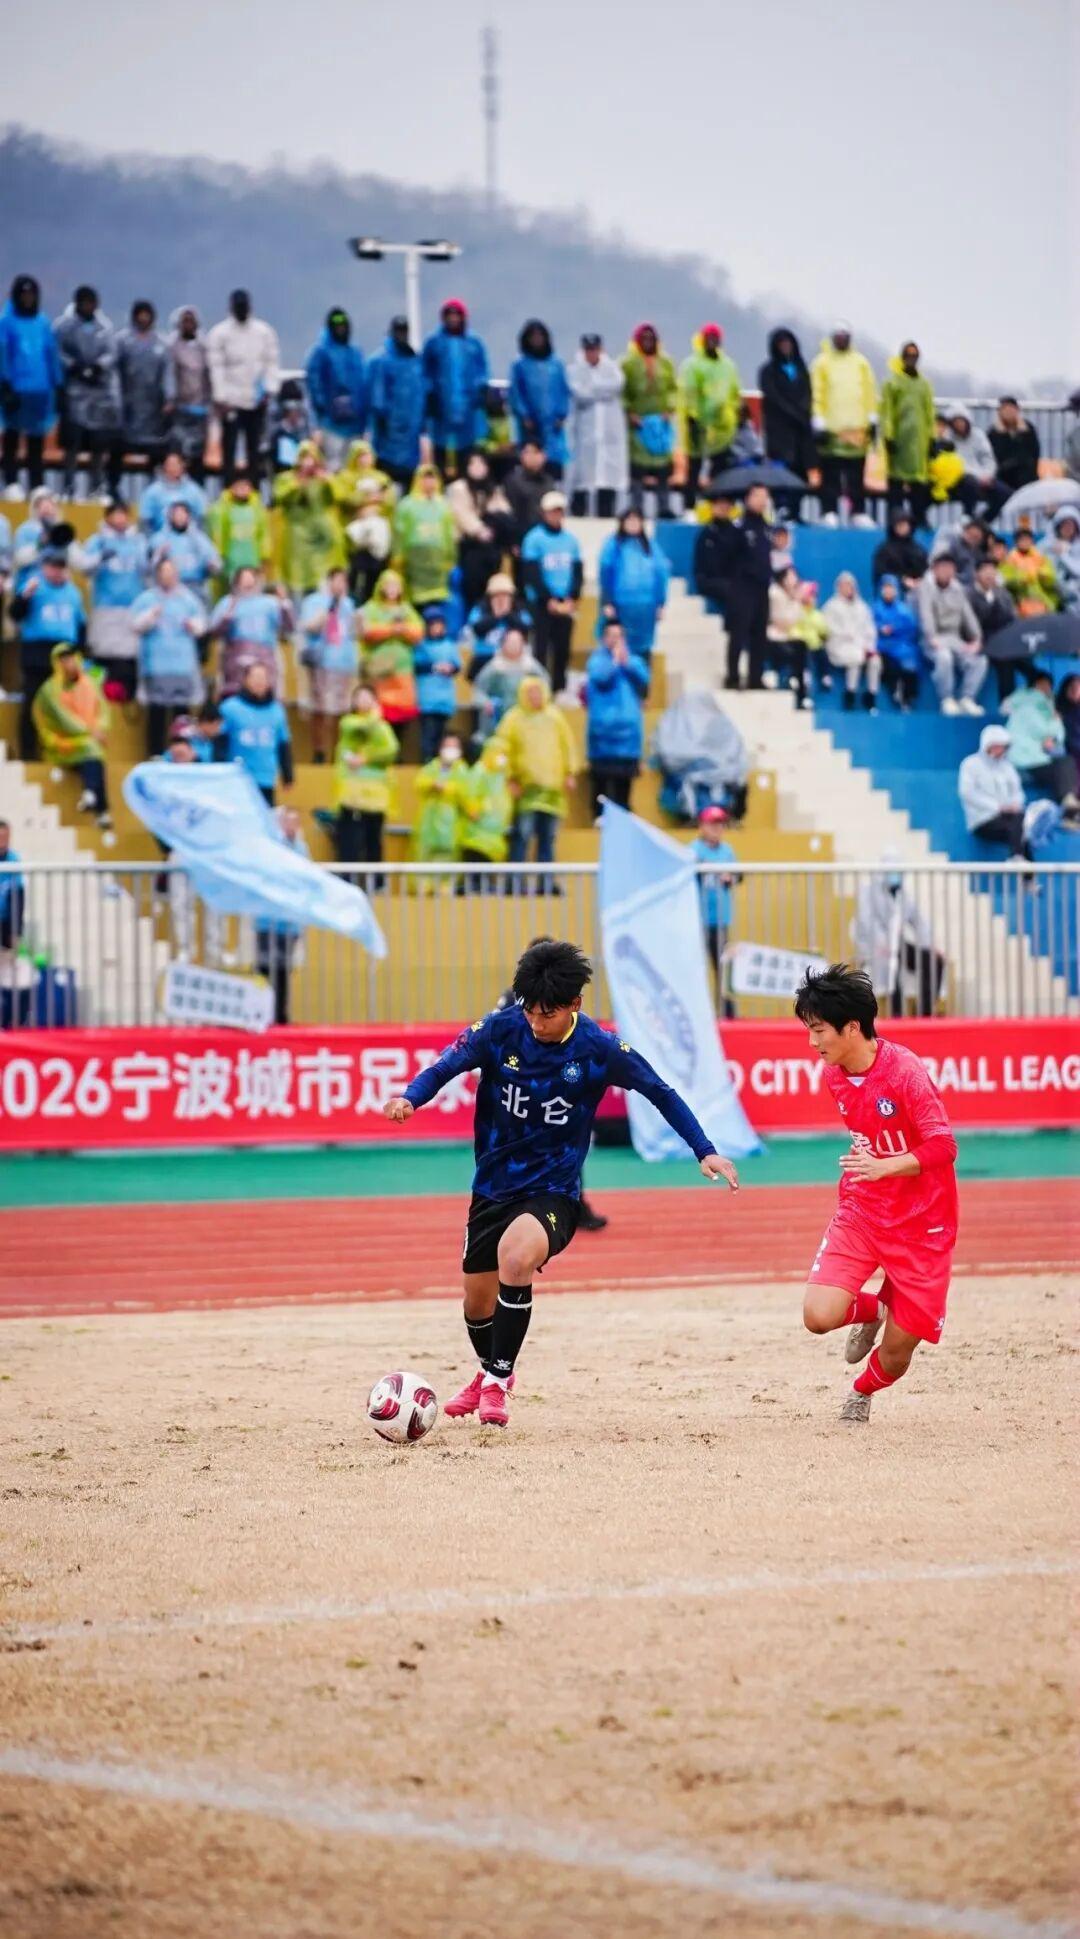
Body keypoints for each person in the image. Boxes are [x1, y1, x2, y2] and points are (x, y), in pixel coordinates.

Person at [382, 937, 738, 1428]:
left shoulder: (599, 1049)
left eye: (547, 1013)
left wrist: (704, 1148)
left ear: (575, 1004)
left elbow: (660, 1091)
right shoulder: (501, 1029)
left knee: (516, 1257)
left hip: (553, 1191)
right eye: (529, 1010)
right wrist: (411, 1097)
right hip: (491, 1186)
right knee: (476, 1303)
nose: (535, 1022)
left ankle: (497, 1383)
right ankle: (490, 1371)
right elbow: (446, 1065)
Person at [794, 961, 957, 1423]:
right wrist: (873, 1168)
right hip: (864, 1208)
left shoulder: (905, 1072)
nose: (812, 1042)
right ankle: (876, 1308)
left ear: (851, 1027)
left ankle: (861, 1390)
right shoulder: (834, 1074)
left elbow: (944, 1146)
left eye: (818, 1031)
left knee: (898, 1352)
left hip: (924, 1222)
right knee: (818, 1316)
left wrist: (887, 1165)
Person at [494, 673, 578, 879]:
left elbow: (567, 746)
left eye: (538, 692)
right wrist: (509, 778)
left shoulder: (555, 717)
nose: (534, 696)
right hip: (525, 790)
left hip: (553, 791)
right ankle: (515, 881)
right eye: (530, 692)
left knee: (548, 837)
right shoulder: (513, 719)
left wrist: (570, 772)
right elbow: (501, 750)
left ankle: (546, 881)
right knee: (522, 835)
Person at [10, 547, 86, 760]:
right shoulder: (33, 586)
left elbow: (81, 626)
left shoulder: (73, 593)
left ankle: (63, 752)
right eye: (53, 566)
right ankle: (29, 753)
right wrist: (25, 596)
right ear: (44, 567)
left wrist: (77, 656)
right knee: (33, 705)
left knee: (64, 707)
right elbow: (15, 614)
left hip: (64, 654)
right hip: (37, 653)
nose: (57, 571)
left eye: (61, 566)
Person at [852, 852, 944, 1016]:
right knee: (891, 964)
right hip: (873, 946)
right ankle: (897, 1015)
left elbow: (919, 922)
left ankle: (925, 1013)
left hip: (896, 944)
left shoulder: (903, 895)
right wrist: (883, 943)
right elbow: (867, 922)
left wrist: (929, 945)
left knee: (934, 961)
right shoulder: (868, 891)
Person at [131, 556, 207, 753]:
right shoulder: (147, 599)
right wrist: (150, 616)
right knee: (156, 714)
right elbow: (135, 625)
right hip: (156, 667)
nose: (168, 576)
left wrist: (192, 625)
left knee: (181, 716)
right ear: (157, 575)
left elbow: (201, 626)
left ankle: (183, 754)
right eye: (164, 572)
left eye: (171, 572)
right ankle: (155, 754)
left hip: (182, 667)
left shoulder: (188, 599)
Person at [53, 286, 123, 500]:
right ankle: (68, 488)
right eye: (83, 302)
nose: (87, 306)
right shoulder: (64, 326)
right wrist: (74, 366)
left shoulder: (105, 327)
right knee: (72, 444)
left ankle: (96, 488)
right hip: (73, 392)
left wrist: (98, 367)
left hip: (99, 393)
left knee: (98, 444)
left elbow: (111, 353)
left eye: (91, 302)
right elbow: (57, 351)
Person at [206, 290, 281, 486]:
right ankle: (228, 491)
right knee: (229, 450)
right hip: (230, 401)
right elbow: (216, 367)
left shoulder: (264, 332)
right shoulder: (219, 333)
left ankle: (253, 492)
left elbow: (271, 362)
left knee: (254, 450)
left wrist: (269, 390)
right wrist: (221, 397)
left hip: (256, 400)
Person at [75, 499, 148, 700]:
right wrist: (100, 557)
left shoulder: (138, 541)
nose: (120, 519)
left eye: (123, 514)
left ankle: (126, 698)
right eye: (115, 514)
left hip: (132, 607)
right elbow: (84, 567)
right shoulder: (97, 541)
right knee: (103, 655)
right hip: (105, 607)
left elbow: (147, 569)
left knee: (128, 658)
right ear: (107, 518)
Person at [32, 644, 111, 825]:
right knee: (92, 749)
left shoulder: (90, 684)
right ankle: (100, 807)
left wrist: (99, 728)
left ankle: (93, 798)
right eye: (63, 660)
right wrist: (91, 731)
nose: (68, 664)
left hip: (87, 740)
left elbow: (104, 711)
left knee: (93, 754)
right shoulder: (50, 690)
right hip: (60, 742)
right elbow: (63, 720)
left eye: (71, 658)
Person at [0, 274, 62, 497]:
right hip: (16, 388)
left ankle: (37, 484)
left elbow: (51, 353)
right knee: (12, 436)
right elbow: (3, 352)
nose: (28, 299)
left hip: (41, 389)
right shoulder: (6, 321)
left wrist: (58, 382)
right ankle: (11, 482)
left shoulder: (42, 322)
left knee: (36, 438)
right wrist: (5, 383)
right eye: (24, 295)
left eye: (31, 295)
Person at [810, 324, 878, 523]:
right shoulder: (822, 362)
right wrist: (818, 420)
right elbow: (817, 392)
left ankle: (858, 512)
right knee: (830, 473)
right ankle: (829, 511)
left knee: (856, 473)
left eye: (844, 336)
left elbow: (869, 392)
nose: (841, 339)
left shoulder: (861, 362)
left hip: (857, 428)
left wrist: (872, 418)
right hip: (832, 428)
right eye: (838, 336)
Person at [584, 617, 649, 815]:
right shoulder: (597, 661)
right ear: (603, 638)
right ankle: (598, 818)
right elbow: (601, 678)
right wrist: (614, 662)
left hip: (628, 738)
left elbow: (644, 679)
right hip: (603, 736)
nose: (615, 640)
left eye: (619, 636)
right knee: (601, 787)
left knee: (624, 790)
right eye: (611, 636)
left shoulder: (633, 661)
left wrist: (626, 662)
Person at [520, 490, 583, 693]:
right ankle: (539, 688)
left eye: (559, 511)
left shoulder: (571, 540)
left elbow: (577, 571)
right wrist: (547, 599)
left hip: (564, 601)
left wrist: (572, 597)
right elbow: (531, 573)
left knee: (562, 649)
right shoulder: (534, 539)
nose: (556, 515)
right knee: (541, 648)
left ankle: (559, 688)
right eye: (552, 511)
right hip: (541, 602)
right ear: (544, 513)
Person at [332, 683, 399, 870]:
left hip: (375, 795)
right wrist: (375, 717)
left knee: (373, 842)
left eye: (367, 697)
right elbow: (360, 729)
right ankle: (347, 880)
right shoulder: (348, 722)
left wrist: (366, 758)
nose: (363, 701)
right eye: (359, 697)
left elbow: (391, 750)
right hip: (351, 794)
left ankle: (376, 881)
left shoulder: (383, 728)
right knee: (348, 843)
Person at [422, 299, 489, 476]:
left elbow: (482, 371)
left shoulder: (474, 343)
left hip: (468, 412)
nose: (453, 319)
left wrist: (480, 393)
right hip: (441, 410)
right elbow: (425, 372)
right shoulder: (434, 342)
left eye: (456, 315)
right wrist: (430, 396)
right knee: (440, 456)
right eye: (449, 315)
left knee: (467, 457)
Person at [299, 566, 360, 762]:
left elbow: (355, 633)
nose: (341, 585)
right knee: (320, 708)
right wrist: (328, 610)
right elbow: (308, 627)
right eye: (338, 580)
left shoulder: (349, 604)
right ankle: (319, 751)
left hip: (344, 662)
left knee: (342, 710)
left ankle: (338, 752)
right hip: (321, 661)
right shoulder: (314, 601)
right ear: (329, 581)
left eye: (344, 581)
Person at [255, 805, 309, 1024]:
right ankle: (261, 1012)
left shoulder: (301, 848)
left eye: (294, 822)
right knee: (264, 968)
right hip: (266, 920)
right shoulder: (267, 846)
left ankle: (280, 1014)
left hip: (289, 922)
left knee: (283, 970)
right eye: (287, 821)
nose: (290, 826)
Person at [1002, 671, 1080, 821]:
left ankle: (1069, 806)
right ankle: (1069, 809)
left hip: (1038, 761)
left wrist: (1054, 736)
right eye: (1041, 685)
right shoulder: (1026, 704)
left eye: (1048, 686)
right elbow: (1045, 731)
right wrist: (1054, 727)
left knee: (1066, 763)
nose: (1045, 689)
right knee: (1067, 763)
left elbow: (1056, 737)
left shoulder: (1049, 709)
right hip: (1022, 765)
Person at [359, 567, 423, 748]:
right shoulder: (372, 608)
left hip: (402, 670)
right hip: (380, 670)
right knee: (379, 712)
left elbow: (418, 632)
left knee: (402, 712)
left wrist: (403, 629)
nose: (392, 589)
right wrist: (392, 629)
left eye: (396, 585)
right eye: (389, 585)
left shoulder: (406, 609)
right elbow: (367, 631)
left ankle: (396, 749)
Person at [678, 323, 740, 508]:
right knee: (694, 468)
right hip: (698, 425)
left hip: (722, 428)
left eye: (715, 338)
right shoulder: (692, 365)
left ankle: (716, 505)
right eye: (709, 338)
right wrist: (693, 417)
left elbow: (734, 392)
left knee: (720, 469)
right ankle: (689, 506)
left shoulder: (728, 365)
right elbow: (689, 392)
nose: (712, 342)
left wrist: (734, 414)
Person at [273, 440, 344, 600]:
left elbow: (340, 497)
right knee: (297, 578)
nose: (308, 462)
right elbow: (279, 497)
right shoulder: (286, 478)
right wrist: (299, 483)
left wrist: (328, 481)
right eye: (305, 457)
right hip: (297, 536)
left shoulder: (323, 479)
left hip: (321, 537)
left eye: (312, 458)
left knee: (321, 579)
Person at [566, 333, 627, 517]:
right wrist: (601, 391)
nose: (591, 353)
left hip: (609, 436)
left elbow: (617, 385)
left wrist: (592, 388)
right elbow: (580, 392)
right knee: (582, 480)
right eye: (588, 349)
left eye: (594, 349)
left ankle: (606, 517)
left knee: (607, 480)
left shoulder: (612, 369)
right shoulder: (575, 370)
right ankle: (578, 516)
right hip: (584, 436)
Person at [917, 554, 986, 715]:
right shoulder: (925, 588)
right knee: (944, 657)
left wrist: (976, 639)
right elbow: (925, 615)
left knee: (980, 661)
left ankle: (967, 698)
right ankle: (946, 699)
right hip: (933, 639)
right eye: (942, 567)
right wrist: (932, 637)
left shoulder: (958, 590)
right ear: (934, 569)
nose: (946, 571)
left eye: (949, 568)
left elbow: (968, 616)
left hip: (955, 639)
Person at [597, 509, 669, 663]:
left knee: (643, 651)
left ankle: (642, 678)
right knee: (618, 648)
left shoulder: (651, 546)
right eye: (629, 520)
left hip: (645, 610)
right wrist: (607, 601)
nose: (633, 523)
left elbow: (661, 574)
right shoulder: (613, 545)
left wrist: (661, 603)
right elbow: (605, 572)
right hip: (620, 608)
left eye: (636, 520)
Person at [621, 323, 677, 517]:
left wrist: (669, 409)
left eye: (651, 338)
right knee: (638, 469)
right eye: (643, 338)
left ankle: (664, 508)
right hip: (639, 424)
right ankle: (637, 508)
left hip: (661, 424)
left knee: (663, 469)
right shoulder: (628, 363)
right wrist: (630, 413)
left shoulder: (666, 362)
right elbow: (622, 392)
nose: (647, 342)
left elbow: (673, 389)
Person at [219, 661, 293, 805]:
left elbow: (283, 744)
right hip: (237, 777)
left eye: (263, 677)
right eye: (255, 677)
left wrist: (288, 775)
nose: (259, 682)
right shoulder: (229, 708)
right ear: (245, 680)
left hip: (266, 778)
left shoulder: (277, 710)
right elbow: (220, 743)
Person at [210, 566, 291, 695]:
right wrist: (228, 616)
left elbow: (289, 627)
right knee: (235, 692)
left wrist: (284, 604)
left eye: (251, 579)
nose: (248, 583)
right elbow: (214, 632)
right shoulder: (227, 602)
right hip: (235, 656)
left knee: (266, 692)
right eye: (243, 579)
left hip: (265, 655)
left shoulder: (270, 603)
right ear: (236, 583)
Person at [757, 327, 814, 509]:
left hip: (800, 432)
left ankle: (796, 509)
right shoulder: (768, 370)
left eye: (788, 343)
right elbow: (773, 396)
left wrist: (803, 411)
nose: (786, 347)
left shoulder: (802, 368)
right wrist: (792, 412)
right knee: (780, 472)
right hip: (779, 431)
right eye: (782, 344)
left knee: (799, 472)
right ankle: (780, 507)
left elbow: (808, 393)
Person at [446, 450, 511, 610]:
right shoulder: (458, 488)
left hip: (491, 545)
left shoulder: (492, 488)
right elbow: (461, 514)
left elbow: (504, 511)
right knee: (472, 583)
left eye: (481, 463)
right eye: (473, 464)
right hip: (469, 545)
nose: (478, 467)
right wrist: (479, 530)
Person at [878, 341, 935, 526]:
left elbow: (930, 412)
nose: (911, 359)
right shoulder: (892, 383)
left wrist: (932, 438)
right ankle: (894, 520)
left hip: (919, 442)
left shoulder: (924, 384)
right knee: (896, 481)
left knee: (919, 483)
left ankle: (919, 518)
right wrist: (888, 436)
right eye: (908, 355)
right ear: (902, 358)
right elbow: (886, 411)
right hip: (899, 440)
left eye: (914, 356)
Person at [724, 483, 772, 690]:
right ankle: (733, 676)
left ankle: (755, 677)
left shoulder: (767, 528)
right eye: (758, 496)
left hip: (762, 587)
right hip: (743, 587)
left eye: (765, 497)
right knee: (739, 632)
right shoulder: (738, 526)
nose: (762, 501)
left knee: (760, 634)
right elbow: (728, 556)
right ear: (748, 498)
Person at [367, 316, 425, 487]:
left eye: (404, 331)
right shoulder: (380, 361)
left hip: (411, 436)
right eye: (398, 331)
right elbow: (377, 398)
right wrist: (383, 421)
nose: (402, 335)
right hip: (387, 436)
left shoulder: (415, 361)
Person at [304, 308, 367, 467]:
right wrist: (321, 416)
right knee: (334, 466)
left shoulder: (355, 352)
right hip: (331, 425)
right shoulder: (320, 353)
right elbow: (314, 387)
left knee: (354, 467)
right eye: (337, 325)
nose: (341, 329)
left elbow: (363, 386)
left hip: (355, 425)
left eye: (344, 325)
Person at [692, 804, 738, 1014]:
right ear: (702, 826)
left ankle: (727, 1014)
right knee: (695, 968)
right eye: (712, 824)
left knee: (723, 969)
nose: (716, 828)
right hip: (697, 920)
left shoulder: (727, 851)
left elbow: (738, 876)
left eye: (720, 824)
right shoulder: (693, 850)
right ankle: (698, 1014)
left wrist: (730, 877)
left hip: (720, 919)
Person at [958, 724, 1030, 858]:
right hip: (982, 819)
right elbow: (967, 793)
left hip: (1009, 817)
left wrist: (1014, 805)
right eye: (998, 746)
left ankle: (1025, 867)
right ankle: (1016, 858)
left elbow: (1017, 791)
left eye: (1004, 747)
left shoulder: (1007, 767)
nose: (1001, 750)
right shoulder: (970, 764)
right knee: (1017, 827)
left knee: (1023, 828)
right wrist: (997, 807)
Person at [509, 320, 570, 476]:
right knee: (531, 460)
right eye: (533, 337)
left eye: (540, 336)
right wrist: (524, 415)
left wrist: (562, 415)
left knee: (554, 461)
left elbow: (564, 391)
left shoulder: (556, 365)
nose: (537, 340)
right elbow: (516, 393)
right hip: (531, 423)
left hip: (553, 424)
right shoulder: (520, 365)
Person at [393, 462, 457, 607]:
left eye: (432, 478)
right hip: (414, 559)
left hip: (438, 560)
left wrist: (451, 558)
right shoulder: (406, 505)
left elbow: (449, 533)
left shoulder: (444, 505)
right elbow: (399, 532)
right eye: (425, 478)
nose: (429, 482)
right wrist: (398, 555)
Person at [116, 300, 169, 474]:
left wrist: (168, 399)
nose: (144, 319)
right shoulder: (122, 341)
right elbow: (114, 372)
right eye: (141, 315)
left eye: (147, 316)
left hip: (154, 408)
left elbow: (167, 374)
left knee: (156, 449)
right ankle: (112, 486)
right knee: (117, 446)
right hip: (128, 404)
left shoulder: (162, 342)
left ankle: (155, 484)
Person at [821, 570, 881, 713]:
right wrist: (847, 637)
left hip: (860, 646)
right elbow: (828, 629)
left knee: (875, 661)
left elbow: (870, 630)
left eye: (850, 585)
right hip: (839, 646)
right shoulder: (831, 606)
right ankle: (850, 694)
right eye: (845, 585)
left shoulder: (862, 607)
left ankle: (871, 696)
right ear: (838, 587)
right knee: (856, 658)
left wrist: (868, 647)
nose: (848, 588)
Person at [164, 306, 212, 481]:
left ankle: (197, 489)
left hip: (201, 409)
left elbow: (210, 375)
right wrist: (170, 399)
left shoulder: (204, 346)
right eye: (185, 321)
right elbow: (169, 375)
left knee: (198, 455)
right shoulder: (171, 346)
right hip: (179, 409)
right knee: (178, 452)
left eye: (191, 321)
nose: (188, 324)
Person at [472, 623, 544, 738]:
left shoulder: (530, 666)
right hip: (499, 716)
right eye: (510, 642)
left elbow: (545, 686)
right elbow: (479, 690)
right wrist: (486, 702)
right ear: (503, 644)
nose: (513, 646)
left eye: (517, 642)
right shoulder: (495, 666)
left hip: (525, 717)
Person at [458, 740, 513, 882]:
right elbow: (469, 792)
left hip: (494, 832)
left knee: (486, 869)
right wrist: (473, 809)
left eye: (505, 754)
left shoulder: (501, 775)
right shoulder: (480, 770)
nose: (502, 757)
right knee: (475, 864)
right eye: (500, 753)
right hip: (477, 829)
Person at [414, 605, 463, 762]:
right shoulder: (421, 646)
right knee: (428, 734)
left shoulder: (449, 645)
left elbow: (457, 666)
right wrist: (435, 667)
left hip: (445, 699)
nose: (437, 628)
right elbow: (417, 665)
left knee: (441, 735)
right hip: (427, 699)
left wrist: (450, 668)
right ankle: (427, 761)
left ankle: (439, 762)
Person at [463, 571, 532, 678]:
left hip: (512, 658)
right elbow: (476, 629)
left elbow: (526, 629)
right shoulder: (480, 608)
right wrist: (495, 616)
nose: (501, 599)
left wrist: (508, 615)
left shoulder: (519, 609)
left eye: (505, 595)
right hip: (485, 656)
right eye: (497, 595)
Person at [414, 731, 469, 865]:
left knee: (447, 864)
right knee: (424, 864)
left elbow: (466, 794)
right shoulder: (431, 768)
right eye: (447, 746)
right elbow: (419, 783)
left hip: (452, 830)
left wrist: (447, 788)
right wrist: (432, 785)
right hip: (428, 828)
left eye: (454, 747)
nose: (450, 750)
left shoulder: (463, 771)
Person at [969, 558, 1020, 702]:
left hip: (1003, 638)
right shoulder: (969, 594)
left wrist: (998, 598)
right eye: (986, 571)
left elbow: (1011, 617)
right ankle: (1006, 701)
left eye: (993, 571)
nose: (990, 575)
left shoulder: (1002, 594)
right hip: (981, 640)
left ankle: (1040, 689)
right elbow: (972, 622)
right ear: (976, 574)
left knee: (1027, 657)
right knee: (1005, 659)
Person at [208, 468, 271, 584]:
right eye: (239, 485)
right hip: (231, 561)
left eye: (246, 485)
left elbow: (264, 535)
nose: (242, 489)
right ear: (231, 488)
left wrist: (265, 556)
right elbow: (218, 534)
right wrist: (220, 556)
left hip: (253, 560)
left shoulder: (258, 508)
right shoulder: (222, 508)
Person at [150, 499, 220, 601]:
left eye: (183, 514)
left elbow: (216, 565)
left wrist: (211, 565)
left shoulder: (199, 539)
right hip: (169, 589)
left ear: (189, 516)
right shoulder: (159, 539)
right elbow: (149, 568)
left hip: (195, 587)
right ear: (170, 516)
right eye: (176, 514)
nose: (180, 518)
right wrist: (159, 554)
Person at [872, 574, 922, 711]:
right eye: (885, 588)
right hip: (882, 646)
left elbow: (911, 629)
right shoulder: (875, 608)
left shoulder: (904, 610)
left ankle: (909, 698)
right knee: (889, 665)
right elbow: (869, 626)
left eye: (891, 588)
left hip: (902, 646)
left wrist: (895, 630)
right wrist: (881, 629)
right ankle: (895, 691)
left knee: (911, 664)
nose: (888, 591)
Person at [945, 406, 1004, 518]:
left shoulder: (978, 435)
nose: (959, 424)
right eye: (956, 422)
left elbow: (988, 458)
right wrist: (978, 477)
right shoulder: (947, 438)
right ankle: (967, 517)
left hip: (983, 477)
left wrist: (988, 474)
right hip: (959, 479)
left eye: (961, 421)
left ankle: (982, 521)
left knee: (1005, 494)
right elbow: (955, 464)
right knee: (970, 484)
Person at [344, 475, 394, 604]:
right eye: (371, 493)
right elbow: (355, 539)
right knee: (358, 593)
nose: (376, 496)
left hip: (379, 562)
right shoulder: (357, 521)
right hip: (362, 560)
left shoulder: (383, 517)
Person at [693, 490, 739, 624]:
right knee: (733, 591)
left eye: (726, 504)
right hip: (710, 580)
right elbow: (703, 563)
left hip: (731, 580)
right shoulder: (706, 533)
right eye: (719, 504)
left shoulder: (736, 532)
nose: (723, 508)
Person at [140, 448, 208, 535]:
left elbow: (202, 519)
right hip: (160, 539)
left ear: (183, 466)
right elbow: (144, 521)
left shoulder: (194, 490)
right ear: (164, 466)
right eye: (170, 464)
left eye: (176, 464)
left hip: (189, 538)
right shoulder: (152, 491)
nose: (173, 468)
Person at [503, 438, 557, 549]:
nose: (533, 457)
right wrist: (514, 541)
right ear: (522, 456)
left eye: (536, 453)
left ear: (544, 456)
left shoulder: (549, 481)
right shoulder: (513, 481)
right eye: (528, 453)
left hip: (546, 539)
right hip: (521, 539)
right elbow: (510, 514)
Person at [988, 397, 1040, 496]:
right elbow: (995, 456)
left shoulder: (1028, 429)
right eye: (1004, 409)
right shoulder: (993, 432)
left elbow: (1034, 453)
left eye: (1011, 409)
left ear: (1017, 411)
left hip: (1026, 473)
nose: (1008, 413)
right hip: (1004, 474)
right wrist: (1004, 435)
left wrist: (1022, 434)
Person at [1001, 527, 1059, 616]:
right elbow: (1008, 580)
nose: (1025, 542)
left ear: (1032, 541)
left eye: (1027, 539)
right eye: (1022, 540)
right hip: (1020, 600)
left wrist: (1044, 576)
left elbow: (1051, 578)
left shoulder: (1041, 557)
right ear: (1016, 542)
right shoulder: (1009, 559)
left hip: (1044, 600)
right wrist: (1022, 579)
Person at [871, 509, 928, 589]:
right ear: (893, 527)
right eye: (899, 524)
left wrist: (919, 581)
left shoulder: (918, 549)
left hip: (919, 588)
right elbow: (880, 572)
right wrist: (902, 580)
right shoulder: (884, 550)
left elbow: (926, 569)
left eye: (905, 524)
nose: (902, 527)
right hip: (894, 590)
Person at [1043, 508, 1080, 614]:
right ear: (1058, 527)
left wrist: (1063, 555)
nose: (1067, 528)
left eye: (1071, 525)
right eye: (1064, 525)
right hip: (1053, 596)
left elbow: (1078, 571)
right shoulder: (1046, 545)